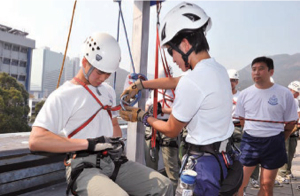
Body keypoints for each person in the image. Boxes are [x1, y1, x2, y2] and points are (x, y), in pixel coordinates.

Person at [29, 32, 173, 196]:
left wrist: (116, 142)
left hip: (112, 160)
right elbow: (36, 140)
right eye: (99, 72)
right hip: (83, 165)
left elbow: (113, 125)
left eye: (108, 74)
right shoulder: (64, 95)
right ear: (85, 62)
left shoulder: (108, 91)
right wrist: (89, 144)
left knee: (164, 186)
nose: (103, 78)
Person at [119, 2, 238, 195]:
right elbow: (175, 81)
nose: (172, 58)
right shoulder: (217, 69)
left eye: (171, 51)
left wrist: (141, 116)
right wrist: (141, 84)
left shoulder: (193, 80)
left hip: (203, 165)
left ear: (185, 44)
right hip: (222, 158)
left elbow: (171, 130)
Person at [235, 56, 298, 196]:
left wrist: (280, 139)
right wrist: (254, 131)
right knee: (239, 183)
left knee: (267, 184)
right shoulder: (245, 94)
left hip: (274, 141)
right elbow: (242, 119)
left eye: (261, 69)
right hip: (250, 141)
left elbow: (290, 122)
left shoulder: (284, 94)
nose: (256, 72)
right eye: (254, 69)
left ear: (271, 72)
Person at [144, 68, 179, 188]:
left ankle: (173, 191)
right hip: (153, 126)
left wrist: (162, 110)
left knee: (171, 166)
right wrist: (148, 109)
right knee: (150, 164)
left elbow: (179, 111)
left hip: (168, 126)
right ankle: (153, 189)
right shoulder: (155, 91)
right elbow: (147, 105)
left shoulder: (175, 92)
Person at [277, 80, 300, 183]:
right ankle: (280, 174)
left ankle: (287, 172)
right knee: (284, 151)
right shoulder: (283, 98)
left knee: (290, 152)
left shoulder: (294, 100)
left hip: (292, 128)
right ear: (292, 90)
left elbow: (297, 112)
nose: (298, 95)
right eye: (297, 92)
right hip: (283, 128)